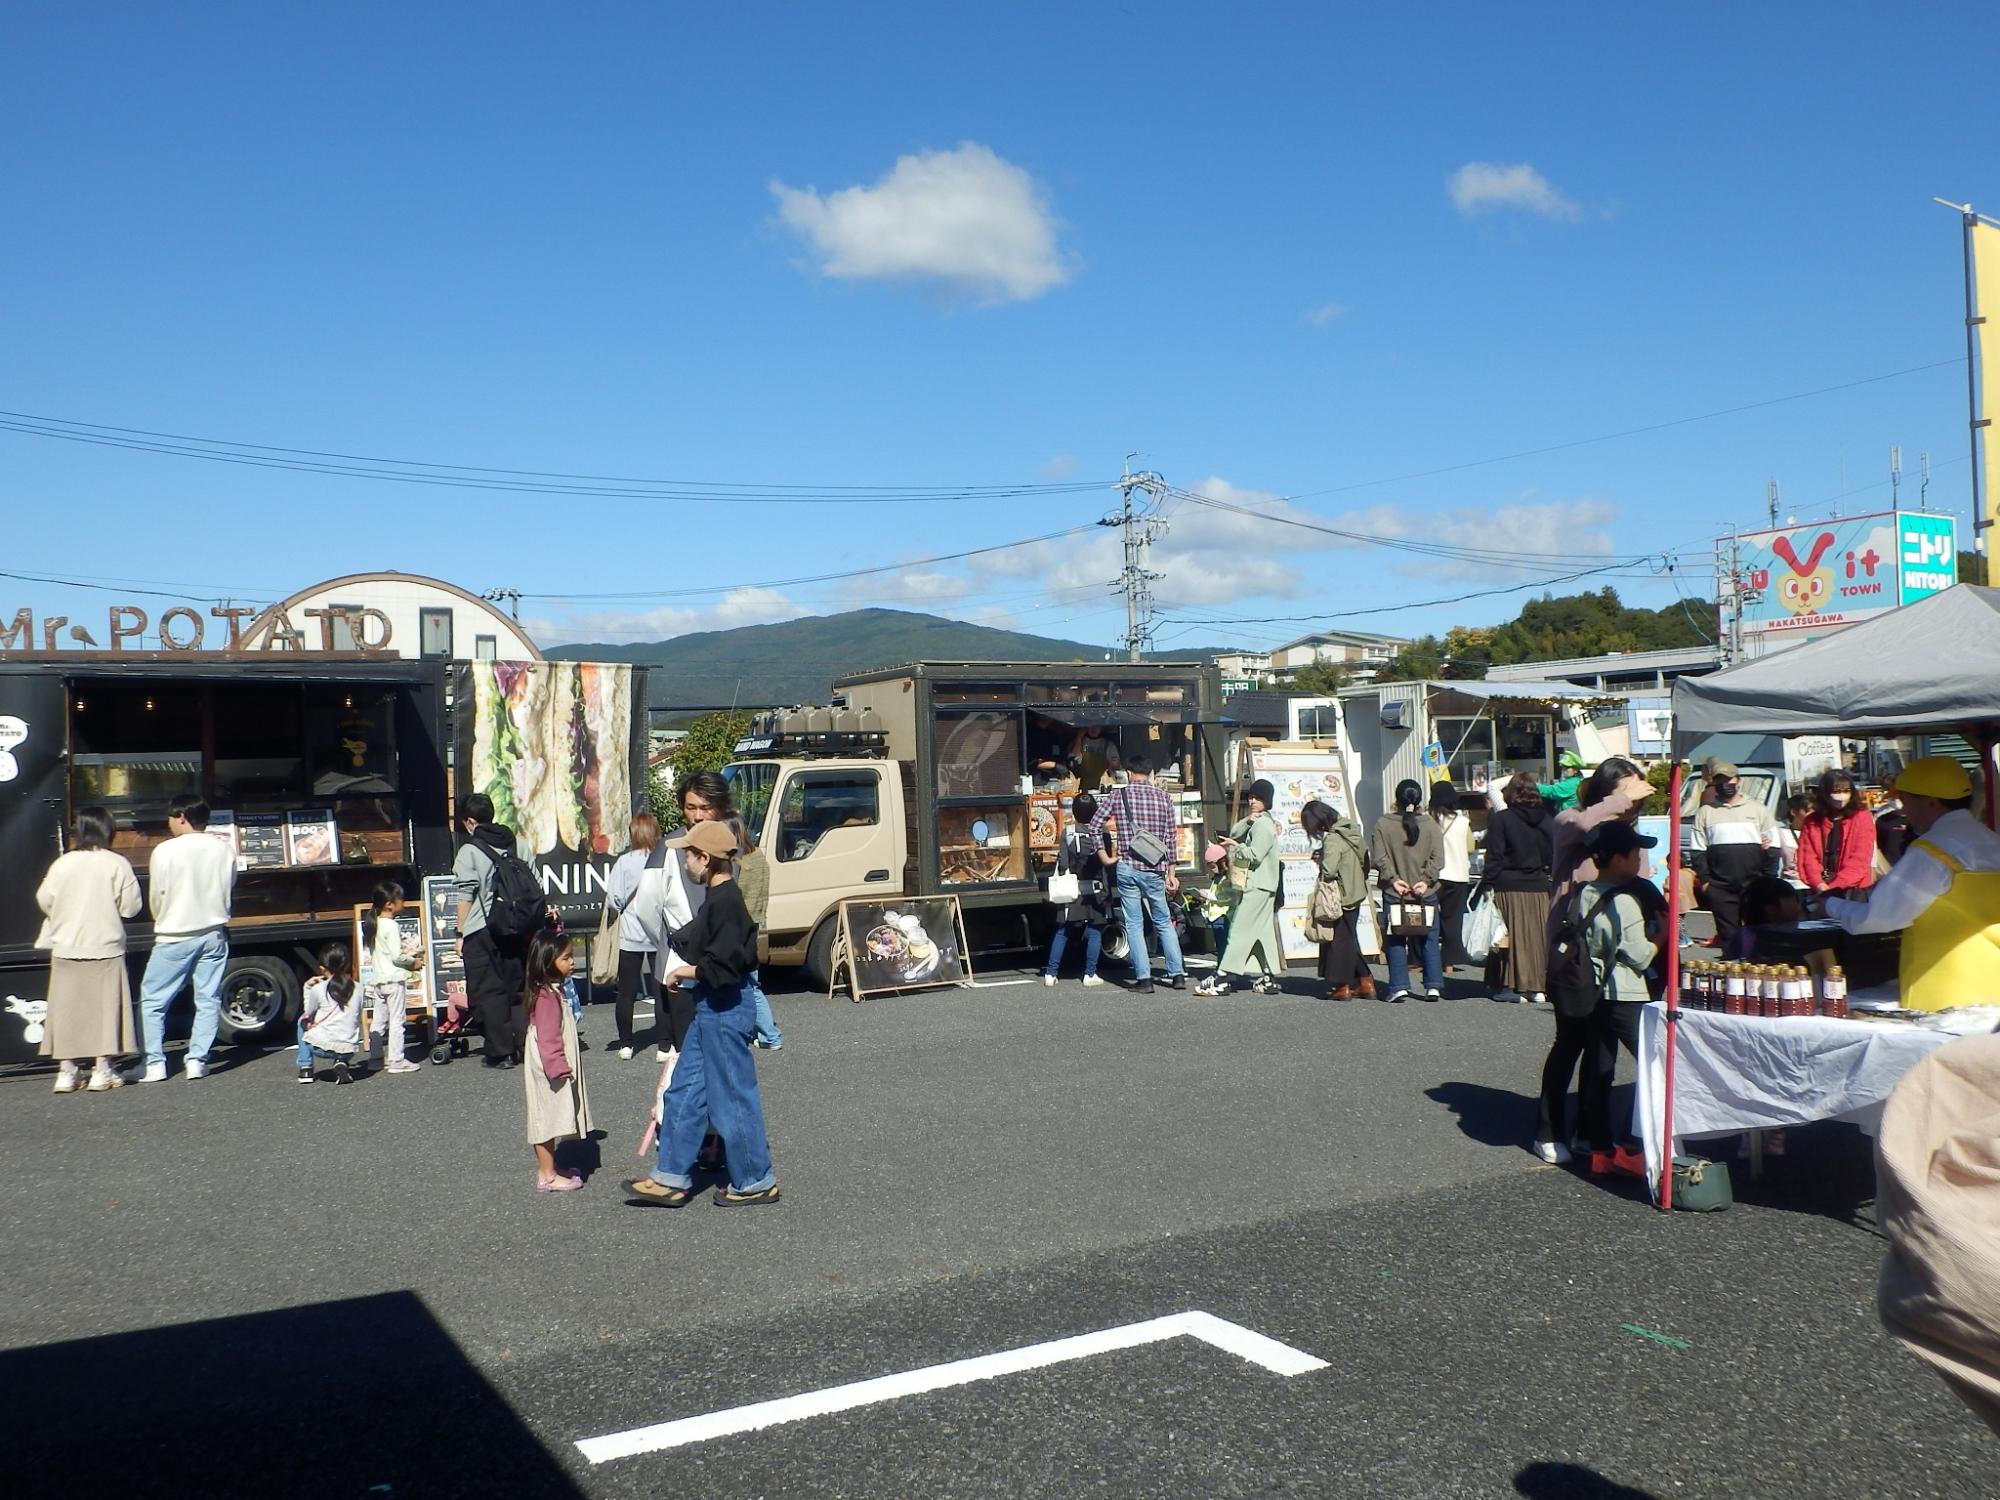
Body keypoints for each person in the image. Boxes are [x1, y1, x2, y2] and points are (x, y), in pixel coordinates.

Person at [626, 821, 780, 1207]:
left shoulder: (726, 900)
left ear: (705, 858)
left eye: (689, 854)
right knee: (683, 1091)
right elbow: (704, 942)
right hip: (711, 1006)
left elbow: (727, 966)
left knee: (731, 1099)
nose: (685, 860)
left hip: (725, 1007)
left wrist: (685, 970)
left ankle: (756, 1180)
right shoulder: (719, 896)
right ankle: (670, 1176)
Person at [1826, 757, 2000, 1012]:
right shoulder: (1992, 841)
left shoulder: (1933, 850)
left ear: (1931, 801)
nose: (1903, 811)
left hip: (1943, 990)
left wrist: (1830, 905)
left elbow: (1880, 918)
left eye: (1906, 801)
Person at [34, 806, 141, 1093]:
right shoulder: (117, 863)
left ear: (80, 830)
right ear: (108, 830)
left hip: (67, 946)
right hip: (105, 946)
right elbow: (132, 908)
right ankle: (102, 1069)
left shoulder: (63, 863)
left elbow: (44, 899)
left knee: (67, 1010)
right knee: (106, 1010)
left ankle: (67, 1071)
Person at [1574, 823, 1661, 1167]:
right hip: (1626, 991)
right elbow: (1639, 955)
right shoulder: (1624, 901)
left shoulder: (1585, 893)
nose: (1640, 860)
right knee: (1657, 1064)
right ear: (1617, 858)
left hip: (1595, 991)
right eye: (1635, 854)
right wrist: (1662, 936)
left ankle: (1599, 1148)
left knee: (1600, 1068)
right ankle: (1632, 1141)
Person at [133, 795, 237, 1083]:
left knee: (153, 1001)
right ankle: (197, 1060)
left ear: (181, 816)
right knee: (208, 998)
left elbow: (157, 895)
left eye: (170, 816)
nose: (168, 823)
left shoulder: (165, 851)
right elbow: (230, 885)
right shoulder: (223, 848)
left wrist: (162, 917)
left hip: (174, 933)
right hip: (214, 931)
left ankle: (154, 1062)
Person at [1089, 754, 1188, 994]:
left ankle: (1144, 979)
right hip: (1156, 869)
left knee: (1134, 923)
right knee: (1163, 921)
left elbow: (1094, 825)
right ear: (1150, 773)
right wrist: (1171, 872)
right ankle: (1177, 975)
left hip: (1128, 867)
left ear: (1130, 772)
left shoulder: (1118, 795)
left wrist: (1105, 856)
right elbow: (1170, 838)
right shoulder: (1164, 798)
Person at [454, 793, 531, 1069]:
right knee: (518, 989)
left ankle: (502, 1053)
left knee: (490, 992)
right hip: (516, 927)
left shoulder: (469, 851)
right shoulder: (519, 844)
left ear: (471, 821)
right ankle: (525, 1046)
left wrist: (460, 933)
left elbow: (466, 896)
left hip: (482, 928)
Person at [1195, 779, 1284, 997]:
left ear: (1267, 800)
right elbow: (1234, 832)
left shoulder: (1263, 825)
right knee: (1262, 933)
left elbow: (1254, 855)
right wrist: (1246, 820)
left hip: (1257, 885)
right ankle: (1268, 976)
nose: (1253, 801)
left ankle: (1223, 977)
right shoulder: (1262, 821)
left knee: (1239, 930)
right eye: (1251, 797)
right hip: (1264, 885)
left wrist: (1237, 847)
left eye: (1258, 798)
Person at [522, 928, 593, 1192]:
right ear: (547, 961)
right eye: (565, 958)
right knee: (544, 1117)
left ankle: (551, 1167)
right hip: (548, 1065)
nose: (572, 962)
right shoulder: (546, 997)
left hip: (549, 1062)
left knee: (549, 1116)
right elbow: (548, 1036)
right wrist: (557, 1066)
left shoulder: (551, 990)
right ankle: (546, 1174)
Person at [1482, 774, 1554, 1005]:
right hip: (1539, 884)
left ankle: (1512, 985)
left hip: (1508, 884)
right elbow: (1553, 855)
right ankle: (1538, 987)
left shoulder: (1502, 819)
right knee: (1536, 937)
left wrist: (1487, 884)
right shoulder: (1547, 820)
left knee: (1508, 937)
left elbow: (1494, 856)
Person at [1692, 761, 1778, 955]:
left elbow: (1774, 847)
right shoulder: (1705, 812)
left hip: (1754, 884)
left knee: (1759, 933)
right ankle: (1733, 978)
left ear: (1738, 780)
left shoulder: (1758, 809)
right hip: (1721, 887)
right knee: (1729, 938)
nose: (1725, 784)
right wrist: (1706, 881)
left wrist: (1767, 879)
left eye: (1729, 779)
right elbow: (1697, 850)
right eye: (1720, 780)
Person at [1370, 779, 1445, 1002]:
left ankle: (1399, 986)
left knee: (1396, 938)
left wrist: (1393, 879)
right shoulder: (1431, 824)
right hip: (1426, 892)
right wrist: (1426, 880)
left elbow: (1379, 857)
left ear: (1396, 798)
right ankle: (1433, 986)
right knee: (1429, 938)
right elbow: (1438, 859)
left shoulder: (1384, 823)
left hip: (1396, 893)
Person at [605, 813, 668, 1059]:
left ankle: (626, 1044)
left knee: (626, 992)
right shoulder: (662, 859)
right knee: (660, 988)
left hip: (630, 934)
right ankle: (664, 1044)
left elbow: (614, 899)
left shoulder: (624, 862)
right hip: (658, 932)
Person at [1302, 798, 1371, 1000]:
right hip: (1356, 890)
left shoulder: (1332, 838)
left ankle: (1344, 986)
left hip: (1340, 896)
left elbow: (1329, 870)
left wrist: (1320, 859)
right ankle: (1366, 982)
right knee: (1349, 938)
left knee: (1341, 943)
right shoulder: (1350, 830)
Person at [726, 814, 784, 1049]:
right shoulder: (759, 856)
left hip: (739, 926)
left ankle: (770, 1035)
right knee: (748, 982)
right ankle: (753, 1031)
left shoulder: (736, 860)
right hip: (756, 922)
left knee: (748, 984)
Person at [1043, 792, 1110, 986]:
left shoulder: (1068, 832)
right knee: (1095, 930)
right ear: (1096, 811)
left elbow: (1063, 863)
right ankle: (1090, 974)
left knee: (1063, 930)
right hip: (1096, 890)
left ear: (1074, 811)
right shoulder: (1103, 832)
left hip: (1072, 889)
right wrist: (1108, 893)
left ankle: (1051, 973)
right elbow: (1106, 864)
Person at [364, 881, 424, 1075]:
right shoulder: (391, 925)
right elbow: (397, 957)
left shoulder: (374, 924)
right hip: (394, 980)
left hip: (379, 980)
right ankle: (396, 1059)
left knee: (378, 1021)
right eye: (401, 899)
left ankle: (375, 1059)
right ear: (390, 903)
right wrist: (414, 962)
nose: (403, 903)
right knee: (397, 1020)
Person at [1798, 768, 1878, 899]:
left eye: (1846, 791)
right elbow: (1808, 857)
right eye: (1836, 791)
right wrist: (1818, 884)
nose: (1841, 796)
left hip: (1854, 891)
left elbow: (1860, 859)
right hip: (1821, 889)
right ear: (1825, 793)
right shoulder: (1812, 821)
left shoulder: (1862, 817)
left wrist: (1834, 888)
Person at [297, 943, 364, 1086]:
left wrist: (307, 987)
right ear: (347, 964)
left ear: (322, 968)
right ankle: (341, 1062)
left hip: (321, 1048)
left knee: (301, 1022)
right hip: (348, 1048)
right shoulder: (359, 988)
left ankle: (306, 1068)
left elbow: (308, 1014)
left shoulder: (318, 988)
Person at [1430, 782, 1475, 970]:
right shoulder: (1462, 821)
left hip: (1433, 875)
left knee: (1431, 918)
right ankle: (1449, 960)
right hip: (1458, 874)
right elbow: (1471, 847)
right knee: (1453, 919)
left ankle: (1426, 958)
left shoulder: (1428, 819)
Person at [1776, 793, 1812, 888]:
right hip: (1789, 885)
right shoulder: (1780, 833)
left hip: (1813, 885)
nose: (1812, 815)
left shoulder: (1821, 834)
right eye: (1807, 811)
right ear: (1793, 812)